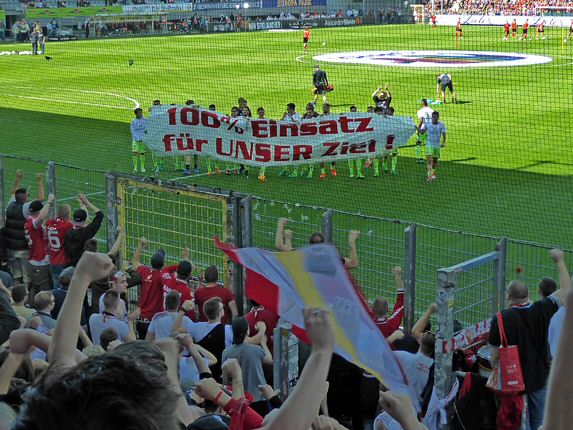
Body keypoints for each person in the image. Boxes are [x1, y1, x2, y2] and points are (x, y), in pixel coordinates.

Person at [489, 249, 570, 430]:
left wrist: (495, 370)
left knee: (515, 421)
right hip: (539, 377)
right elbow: (566, 292)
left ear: (509, 296)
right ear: (527, 295)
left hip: (512, 382)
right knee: (540, 422)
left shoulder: (501, 318)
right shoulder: (542, 309)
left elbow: (494, 356)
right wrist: (560, 262)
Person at [222, 317, 273, 414]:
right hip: (259, 398)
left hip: (239, 399)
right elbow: (269, 360)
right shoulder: (256, 350)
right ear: (247, 331)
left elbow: (226, 382)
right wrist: (263, 343)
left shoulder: (226, 353)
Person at [174, 297, 234, 381]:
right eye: (222, 308)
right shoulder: (228, 329)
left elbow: (175, 329)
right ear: (219, 313)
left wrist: (182, 310)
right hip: (221, 376)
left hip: (202, 375)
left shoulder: (197, 327)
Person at [132, 237, 179, 339]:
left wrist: (141, 245)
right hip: (154, 320)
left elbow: (135, 261)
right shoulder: (162, 276)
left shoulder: (145, 271)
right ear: (163, 263)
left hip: (141, 318)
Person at [5, 171, 45, 285]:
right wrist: (39, 181)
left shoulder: (10, 204)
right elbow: (40, 199)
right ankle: (24, 299)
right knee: (27, 277)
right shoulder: (25, 207)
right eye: (28, 195)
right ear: (25, 198)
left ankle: (16, 298)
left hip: (11, 248)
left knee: (16, 276)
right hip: (23, 249)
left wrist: (17, 179)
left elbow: (13, 193)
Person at [24, 195, 55, 302]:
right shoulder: (33, 223)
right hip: (40, 261)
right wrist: (49, 202)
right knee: (44, 290)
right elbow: (41, 218)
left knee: (35, 287)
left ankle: (31, 306)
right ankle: (40, 311)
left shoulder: (28, 221)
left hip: (34, 259)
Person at [64, 193, 103, 267]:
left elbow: (84, 223)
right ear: (86, 219)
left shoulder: (68, 230)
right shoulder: (87, 232)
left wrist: (82, 204)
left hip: (70, 265)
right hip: (84, 267)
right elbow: (100, 215)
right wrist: (86, 202)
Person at [372, 266, 405, 342]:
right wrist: (398, 277)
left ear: (372, 309)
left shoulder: (367, 322)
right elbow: (401, 303)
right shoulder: (391, 323)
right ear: (387, 309)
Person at [46, 203, 73, 289]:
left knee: (55, 283)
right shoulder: (67, 225)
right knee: (62, 287)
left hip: (52, 259)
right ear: (68, 213)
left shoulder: (49, 223)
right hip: (62, 261)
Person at [279, 103, 302, 178]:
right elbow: (279, 123)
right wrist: (283, 117)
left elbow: (299, 125)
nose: (287, 110)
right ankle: (285, 169)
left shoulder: (298, 115)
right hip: (287, 138)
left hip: (295, 138)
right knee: (285, 154)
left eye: (288, 109)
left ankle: (295, 171)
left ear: (292, 109)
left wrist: (292, 119)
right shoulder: (286, 116)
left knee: (295, 155)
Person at [423, 111, 446, 182]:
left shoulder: (441, 125)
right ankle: (429, 175)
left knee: (435, 161)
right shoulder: (428, 124)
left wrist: (444, 142)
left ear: (438, 117)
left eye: (436, 118)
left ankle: (432, 172)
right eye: (434, 117)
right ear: (432, 117)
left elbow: (444, 135)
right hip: (429, 144)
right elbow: (422, 131)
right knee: (430, 159)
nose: (435, 119)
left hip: (436, 145)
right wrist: (417, 129)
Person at [415, 99, 434, 164]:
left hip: (424, 129)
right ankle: (430, 158)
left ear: (422, 104)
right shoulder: (432, 110)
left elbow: (421, 120)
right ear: (427, 104)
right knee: (428, 143)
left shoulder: (420, 111)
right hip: (431, 129)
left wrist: (418, 129)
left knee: (418, 143)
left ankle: (420, 158)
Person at [131, 107, 147, 174]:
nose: (141, 114)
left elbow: (147, 130)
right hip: (135, 140)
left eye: (141, 112)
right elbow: (133, 131)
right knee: (135, 153)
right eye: (139, 113)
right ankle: (135, 168)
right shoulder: (133, 121)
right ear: (136, 114)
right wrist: (137, 138)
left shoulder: (145, 120)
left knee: (142, 153)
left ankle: (142, 167)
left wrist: (143, 137)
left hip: (143, 140)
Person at [256, 106, 268, 182]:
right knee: (259, 158)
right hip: (257, 142)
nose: (261, 113)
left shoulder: (267, 121)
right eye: (260, 112)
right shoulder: (254, 121)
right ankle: (260, 172)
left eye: (262, 112)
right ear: (257, 113)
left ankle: (261, 175)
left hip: (265, 142)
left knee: (265, 158)